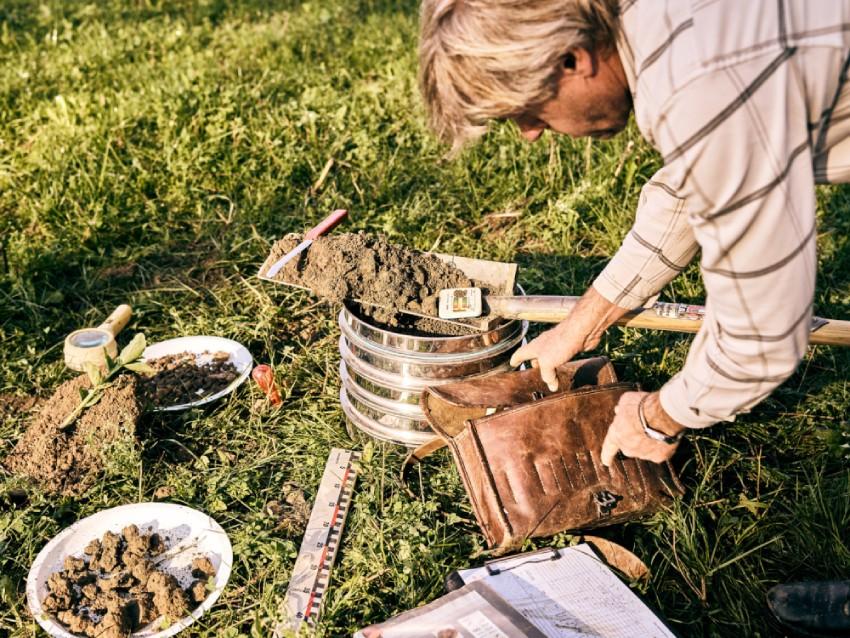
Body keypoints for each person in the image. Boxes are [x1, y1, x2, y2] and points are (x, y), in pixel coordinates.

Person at [418, 0, 850, 470]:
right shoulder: (664, 27)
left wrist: (656, 417)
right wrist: (581, 323)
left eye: (528, 109)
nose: (529, 133)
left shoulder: (699, 83)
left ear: (572, 59)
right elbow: (696, 183)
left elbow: (763, 330)